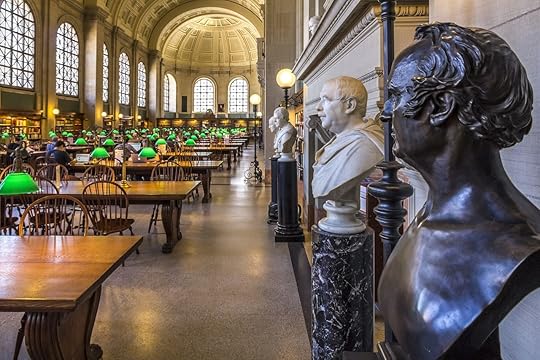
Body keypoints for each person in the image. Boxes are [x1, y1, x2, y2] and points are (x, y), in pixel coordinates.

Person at [378, 23, 540, 360]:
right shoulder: (428, 216)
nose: (385, 113)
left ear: (441, 106)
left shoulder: (518, 248)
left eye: (396, 95)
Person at [311, 76, 384, 203]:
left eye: (325, 100)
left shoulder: (365, 146)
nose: (318, 107)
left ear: (350, 105)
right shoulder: (339, 140)